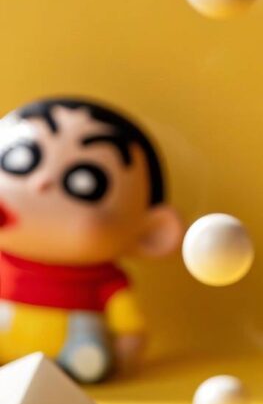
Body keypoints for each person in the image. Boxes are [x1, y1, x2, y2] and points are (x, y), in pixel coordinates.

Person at [0, 96, 183, 382]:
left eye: (85, 181)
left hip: (70, 355)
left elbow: (130, 330)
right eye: (20, 160)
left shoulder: (106, 282)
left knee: (88, 349)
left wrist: (125, 356)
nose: (42, 183)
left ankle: (85, 357)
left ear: (153, 233)